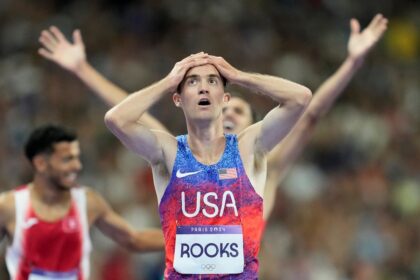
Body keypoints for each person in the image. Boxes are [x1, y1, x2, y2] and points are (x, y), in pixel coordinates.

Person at [37, 14, 388, 225]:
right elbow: (124, 116)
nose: (231, 116)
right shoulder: (176, 153)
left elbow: (307, 111)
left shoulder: (260, 153)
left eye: (238, 112)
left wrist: (352, 63)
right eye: (194, 85)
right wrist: (83, 70)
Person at [104, 50, 311, 278]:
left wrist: (238, 76)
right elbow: (116, 120)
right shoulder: (168, 151)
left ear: (224, 98)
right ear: (178, 99)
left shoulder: (247, 148)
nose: (203, 88)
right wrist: (168, 82)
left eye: (212, 81)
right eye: (193, 82)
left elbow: (300, 98)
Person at [0, 124, 164, 280]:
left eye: (77, 158)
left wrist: (183, 237)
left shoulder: (88, 203)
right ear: (40, 163)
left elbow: (133, 239)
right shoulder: (10, 207)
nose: (77, 166)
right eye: (67, 160)